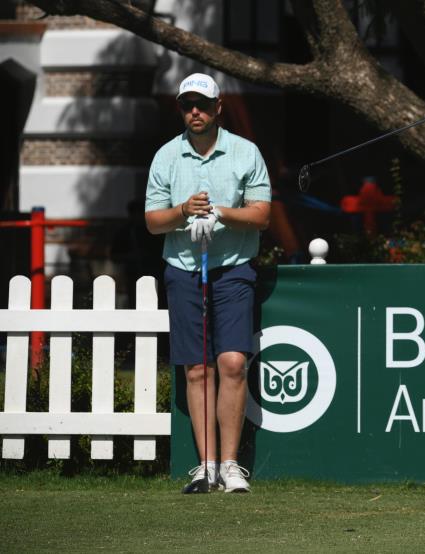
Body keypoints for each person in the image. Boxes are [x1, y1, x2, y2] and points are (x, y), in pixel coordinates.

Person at [144, 73, 271, 494]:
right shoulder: (166, 156)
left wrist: (220, 213)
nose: (194, 112)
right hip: (183, 268)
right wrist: (183, 211)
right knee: (197, 368)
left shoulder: (244, 152)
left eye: (202, 104)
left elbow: (261, 214)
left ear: (219, 108)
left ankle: (231, 465)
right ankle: (206, 466)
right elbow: (152, 221)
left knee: (232, 363)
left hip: (233, 268)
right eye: (187, 105)